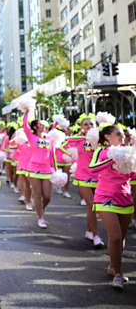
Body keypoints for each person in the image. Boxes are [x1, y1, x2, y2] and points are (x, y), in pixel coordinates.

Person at [88, 124, 133, 289]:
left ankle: (113, 267)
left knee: (121, 238)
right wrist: (111, 160)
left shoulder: (129, 153)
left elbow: (133, 176)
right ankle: (118, 274)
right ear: (107, 136)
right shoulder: (101, 151)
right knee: (114, 236)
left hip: (125, 197)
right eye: (118, 134)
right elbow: (92, 169)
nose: (122, 137)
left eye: (123, 134)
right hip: (105, 197)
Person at [60, 115, 103, 246]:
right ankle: (96, 236)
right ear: (81, 127)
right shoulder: (79, 138)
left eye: (91, 124)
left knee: (95, 206)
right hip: (83, 175)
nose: (89, 126)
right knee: (91, 205)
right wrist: (72, 154)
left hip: (99, 176)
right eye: (86, 124)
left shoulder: (101, 139)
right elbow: (64, 144)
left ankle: (89, 231)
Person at [23, 111, 54, 229]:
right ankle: (40, 218)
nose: (43, 126)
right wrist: (28, 110)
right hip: (34, 169)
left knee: (47, 196)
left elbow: (52, 155)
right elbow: (25, 125)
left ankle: (41, 208)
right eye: (41, 124)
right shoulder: (32, 137)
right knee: (38, 194)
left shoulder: (49, 139)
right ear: (35, 127)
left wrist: (55, 170)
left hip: (46, 170)